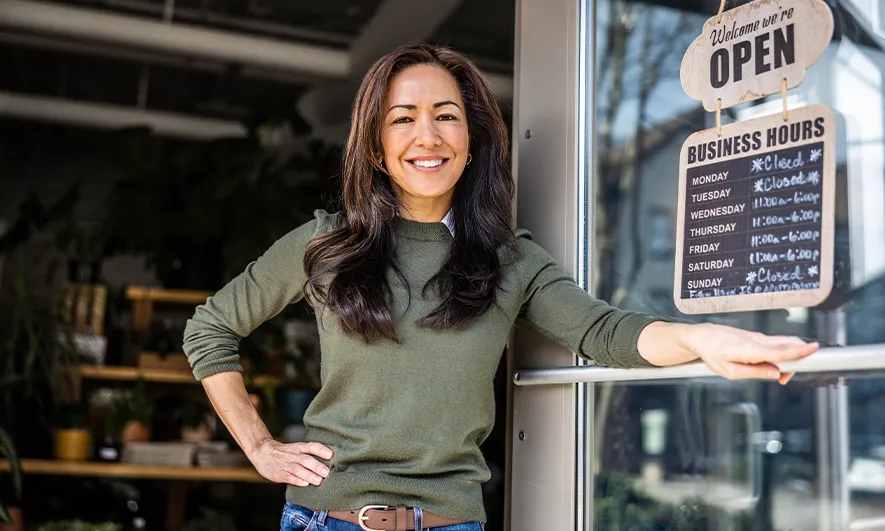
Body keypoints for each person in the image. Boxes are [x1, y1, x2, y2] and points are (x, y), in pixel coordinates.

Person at [182, 43, 818, 531]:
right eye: (402, 119)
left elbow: (605, 331)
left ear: (471, 140)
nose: (426, 137)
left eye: (446, 117)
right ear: (376, 148)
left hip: (453, 521)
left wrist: (702, 338)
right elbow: (209, 329)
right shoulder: (325, 245)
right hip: (326, 519)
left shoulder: (510, 263)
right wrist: (259, 447)